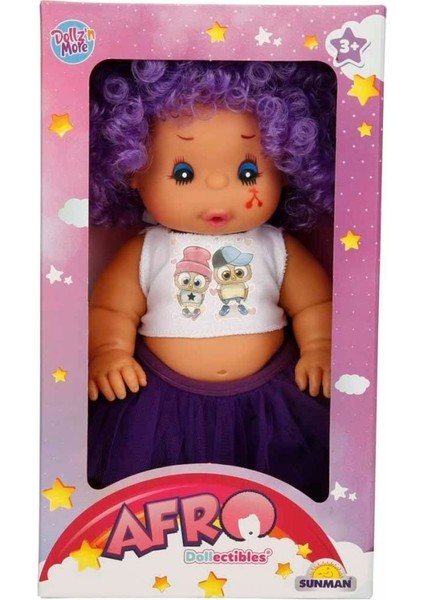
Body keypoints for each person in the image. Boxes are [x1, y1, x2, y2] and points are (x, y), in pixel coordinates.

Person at [88, 60, 336, 500]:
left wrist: (319, 346)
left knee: (279, 492)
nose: (220, 187)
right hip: (160, 405)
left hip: (268, 406)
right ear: (134, 171)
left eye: (247, 173)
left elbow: (315, 303)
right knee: (161, 494)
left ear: (285, 167)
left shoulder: (275, 246)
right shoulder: (148, 250)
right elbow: (111, 308)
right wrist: (108, 351)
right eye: (184, 174)